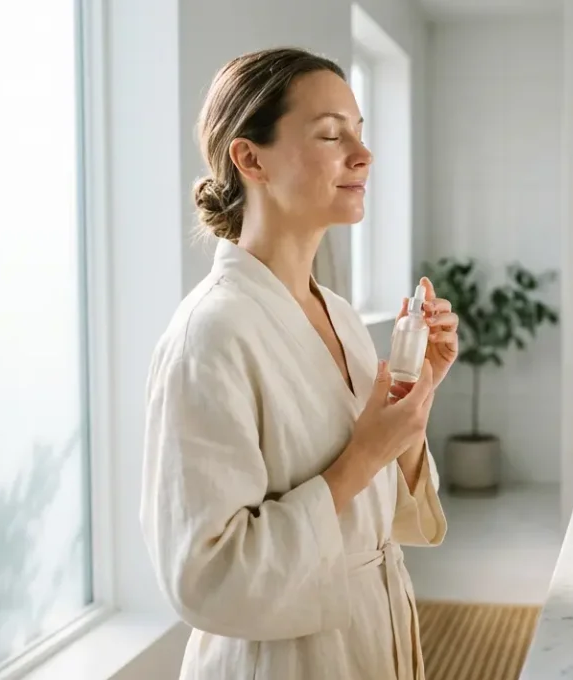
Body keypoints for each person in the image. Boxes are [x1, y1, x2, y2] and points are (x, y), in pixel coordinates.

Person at [139, 47, 458, 679]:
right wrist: (363, 456)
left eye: (360, 132)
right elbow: (204, 576)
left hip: (370, 633)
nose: (363, 155)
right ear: (251, 158)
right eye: (332, 135)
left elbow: (378, 514)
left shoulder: (339, 315)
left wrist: (412, 401)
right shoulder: (210, 335)